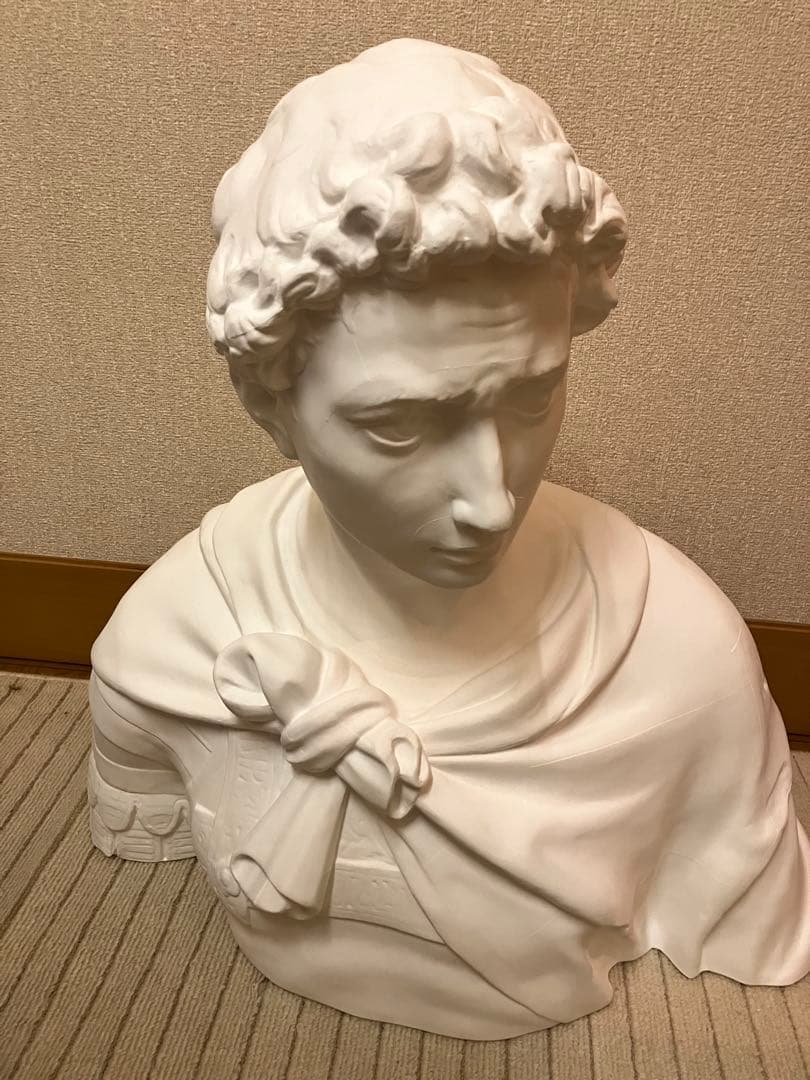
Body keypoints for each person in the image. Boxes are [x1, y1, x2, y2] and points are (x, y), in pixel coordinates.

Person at [89, 39, 809, 1040]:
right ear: (274, 406)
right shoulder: (173, 638)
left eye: (532, 397)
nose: (489, 499)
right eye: (399, 426)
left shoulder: (680, 658)